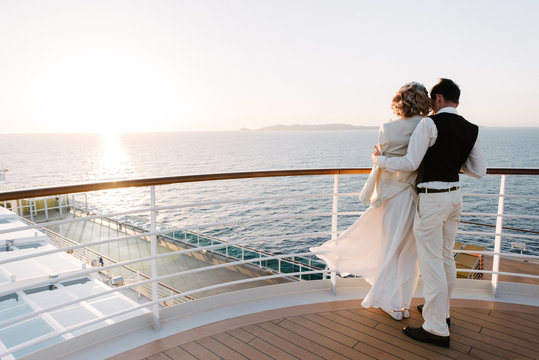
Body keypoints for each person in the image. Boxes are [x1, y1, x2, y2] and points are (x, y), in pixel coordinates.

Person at [373, 78, 486, 347]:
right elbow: (479, 171)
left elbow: (411, 162)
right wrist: (453, 166)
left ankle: (435, 328)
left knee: (432, 262)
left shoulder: (429, 124)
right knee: (446, 256)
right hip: (455, 197)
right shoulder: (472, 129)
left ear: (437, 99)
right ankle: (442, 313)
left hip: (433, 198)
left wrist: (380, 160)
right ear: (456, 100)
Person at [311, 82, 431, 320]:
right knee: (408, 252)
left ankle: (392, 304)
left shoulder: (387, 128)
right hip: (415, 196)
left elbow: (382, 160)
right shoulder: (426, 125)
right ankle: (403, 305)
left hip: (392, 195)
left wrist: (378, 159)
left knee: (390, 249)